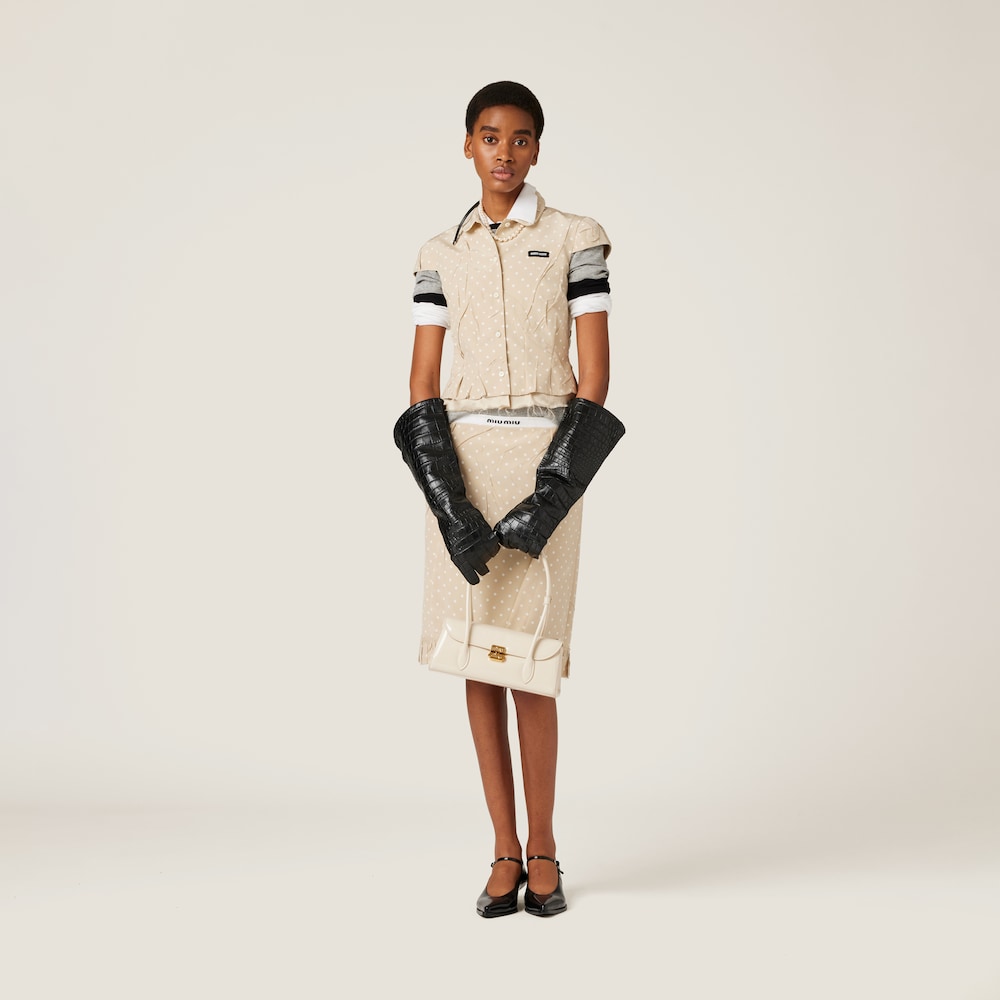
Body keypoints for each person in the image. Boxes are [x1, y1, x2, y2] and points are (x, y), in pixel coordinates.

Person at [393, 81, 625, 918]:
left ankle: (545, 847)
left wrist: (553, 493)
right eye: (490, 136)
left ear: (536, 150)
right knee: (475, 656)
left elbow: (594, 377)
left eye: (520, 138)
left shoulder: (575, 237)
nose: (504, 151)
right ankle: (501, 846)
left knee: (531, 661)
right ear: (468, 145)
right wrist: (445, 497)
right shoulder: (438, 251)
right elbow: (422, 381)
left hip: (544, 459)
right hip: (463, 462)